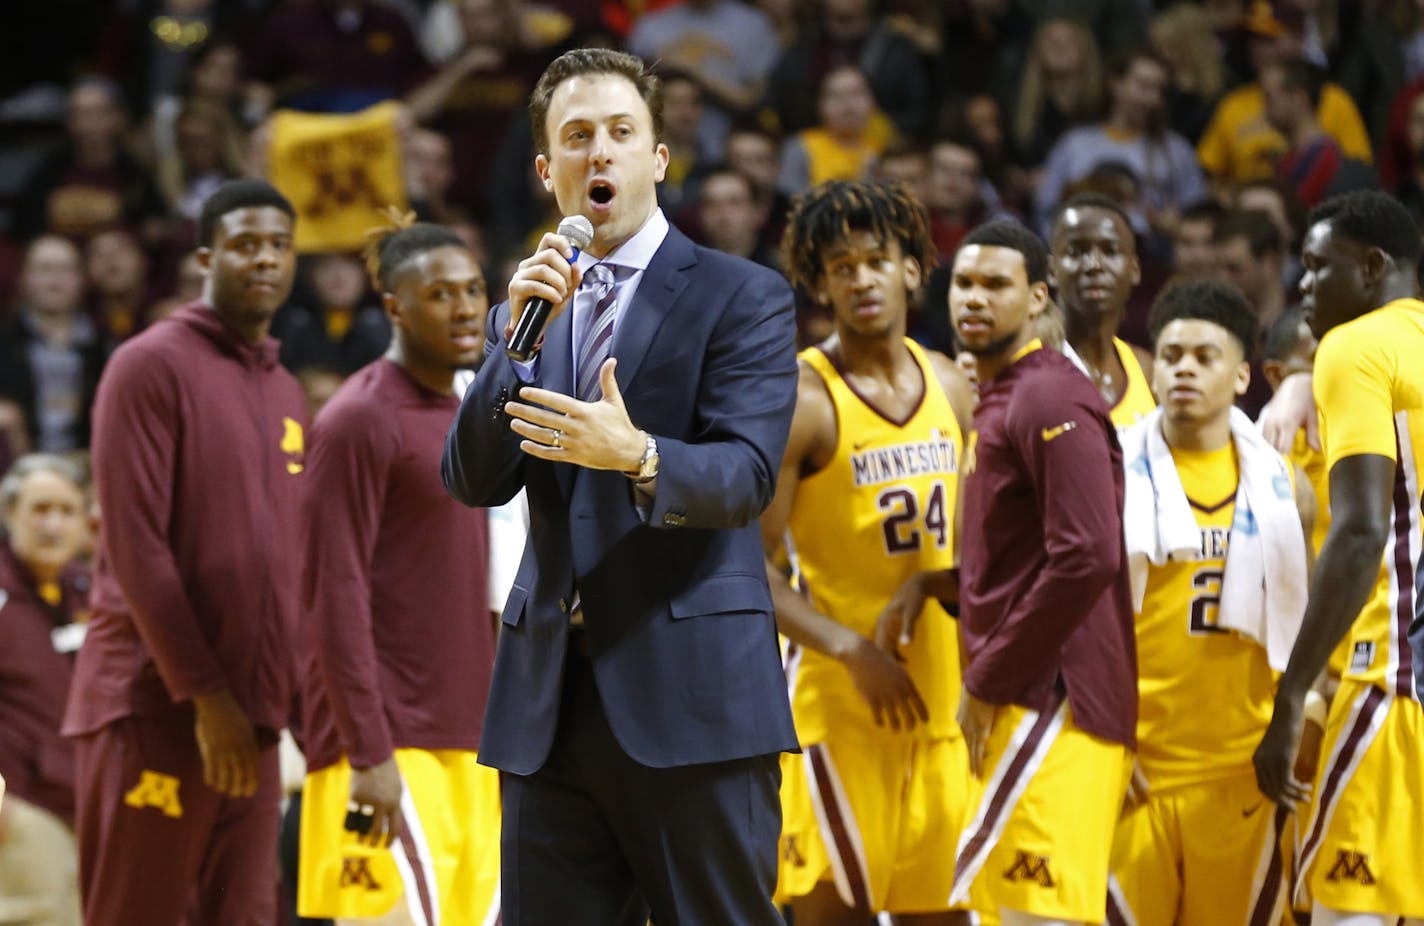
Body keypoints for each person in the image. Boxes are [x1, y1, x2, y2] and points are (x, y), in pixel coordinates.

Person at [441, 48, 798, 924]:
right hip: (548, 705)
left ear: (657, 158)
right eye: (577, 136)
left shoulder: (742, 296)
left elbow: (745, 477)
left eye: (620, 133)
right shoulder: (523, 310)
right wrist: (513, 348)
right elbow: (473, 478)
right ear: (546, 169)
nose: (599, 152)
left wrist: (639, 455)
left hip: (694, 697)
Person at [60, 179, 309, 926]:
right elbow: (135, 548)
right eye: (244, 244)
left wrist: (279, 702)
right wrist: (208, 696)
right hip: (157, 706)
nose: (264, 259)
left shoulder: (288, 391)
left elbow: (287, 564)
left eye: (278, 246)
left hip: (254, 718)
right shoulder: (148, 365)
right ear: (206, 257)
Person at [764, 180, 975, 925]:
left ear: (913, 270)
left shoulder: (953, 383)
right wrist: (852, 650)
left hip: (945, 704)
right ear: (818, 283)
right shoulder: (801, 398)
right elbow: (748, 569)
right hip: (840, 707)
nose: (860, 278)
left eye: (876, 260)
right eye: (841, 265)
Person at [297, 215, 500, 926]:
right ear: (394, 307)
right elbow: (331, 596)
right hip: (387, 744)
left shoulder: (471, 410)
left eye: (474, 289)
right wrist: (368, 750)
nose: (466, 306)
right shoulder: (358, 419)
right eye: (440, 293)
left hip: (470, 735)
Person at [944, 218, 1136, 926]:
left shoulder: (1049, 396)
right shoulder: (1002, 393)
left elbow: (1088, 552)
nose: (974, 298)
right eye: (964, 282)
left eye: (997, 284)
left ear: (1037, 297)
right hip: (1030, 696)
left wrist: (985, 676)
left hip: (1056, 701)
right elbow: (1015, 549)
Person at [1107, 279, 1315, 925]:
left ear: (1244, 374)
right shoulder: (1109, 474)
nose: (1185, 370)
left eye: (1204, 356)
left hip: (1241, 772)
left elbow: (1304, 624)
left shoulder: (1288, 487)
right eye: (1171, 356)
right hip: (1132, 768)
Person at [1252, 192, 1424, 925]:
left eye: (1319, 268)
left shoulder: (1356, 348)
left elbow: (1359, 532)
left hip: (1391, 682)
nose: (1303, 286)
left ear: (1374, 266)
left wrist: (1292, 695)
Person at [0, 454, 90, 926]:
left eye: (66, 510)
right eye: (39, 509)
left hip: (88, 806)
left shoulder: (89, 592)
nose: (53, 524)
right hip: (21, 810)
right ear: (9, 513)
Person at [1048, 194, 1157, 429]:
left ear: (1135, 269)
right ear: (1051, 269)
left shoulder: (1147, 370)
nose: (1094, 264)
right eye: (1076, 251)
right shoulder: (1027, 366)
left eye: (1110, 251)